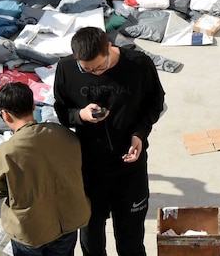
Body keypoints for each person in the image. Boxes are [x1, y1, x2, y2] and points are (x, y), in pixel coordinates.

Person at [53, 27, 165, 256]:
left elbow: (154, 103)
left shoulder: (138, 64)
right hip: (88, 168)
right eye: (87, 69)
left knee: (131, 240)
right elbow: (62, 111)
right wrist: (80, 115)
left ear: (108, 49)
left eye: (99, 67)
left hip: (129, 167)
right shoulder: (66, 69)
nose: (94, 73)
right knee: (91, 238)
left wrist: (139, 135)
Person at [0, 82, 91, 256]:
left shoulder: (6, 152)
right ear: (34, 106)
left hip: (31, 230)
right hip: (68, 222)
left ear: (5, 115)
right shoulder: (65, 135)